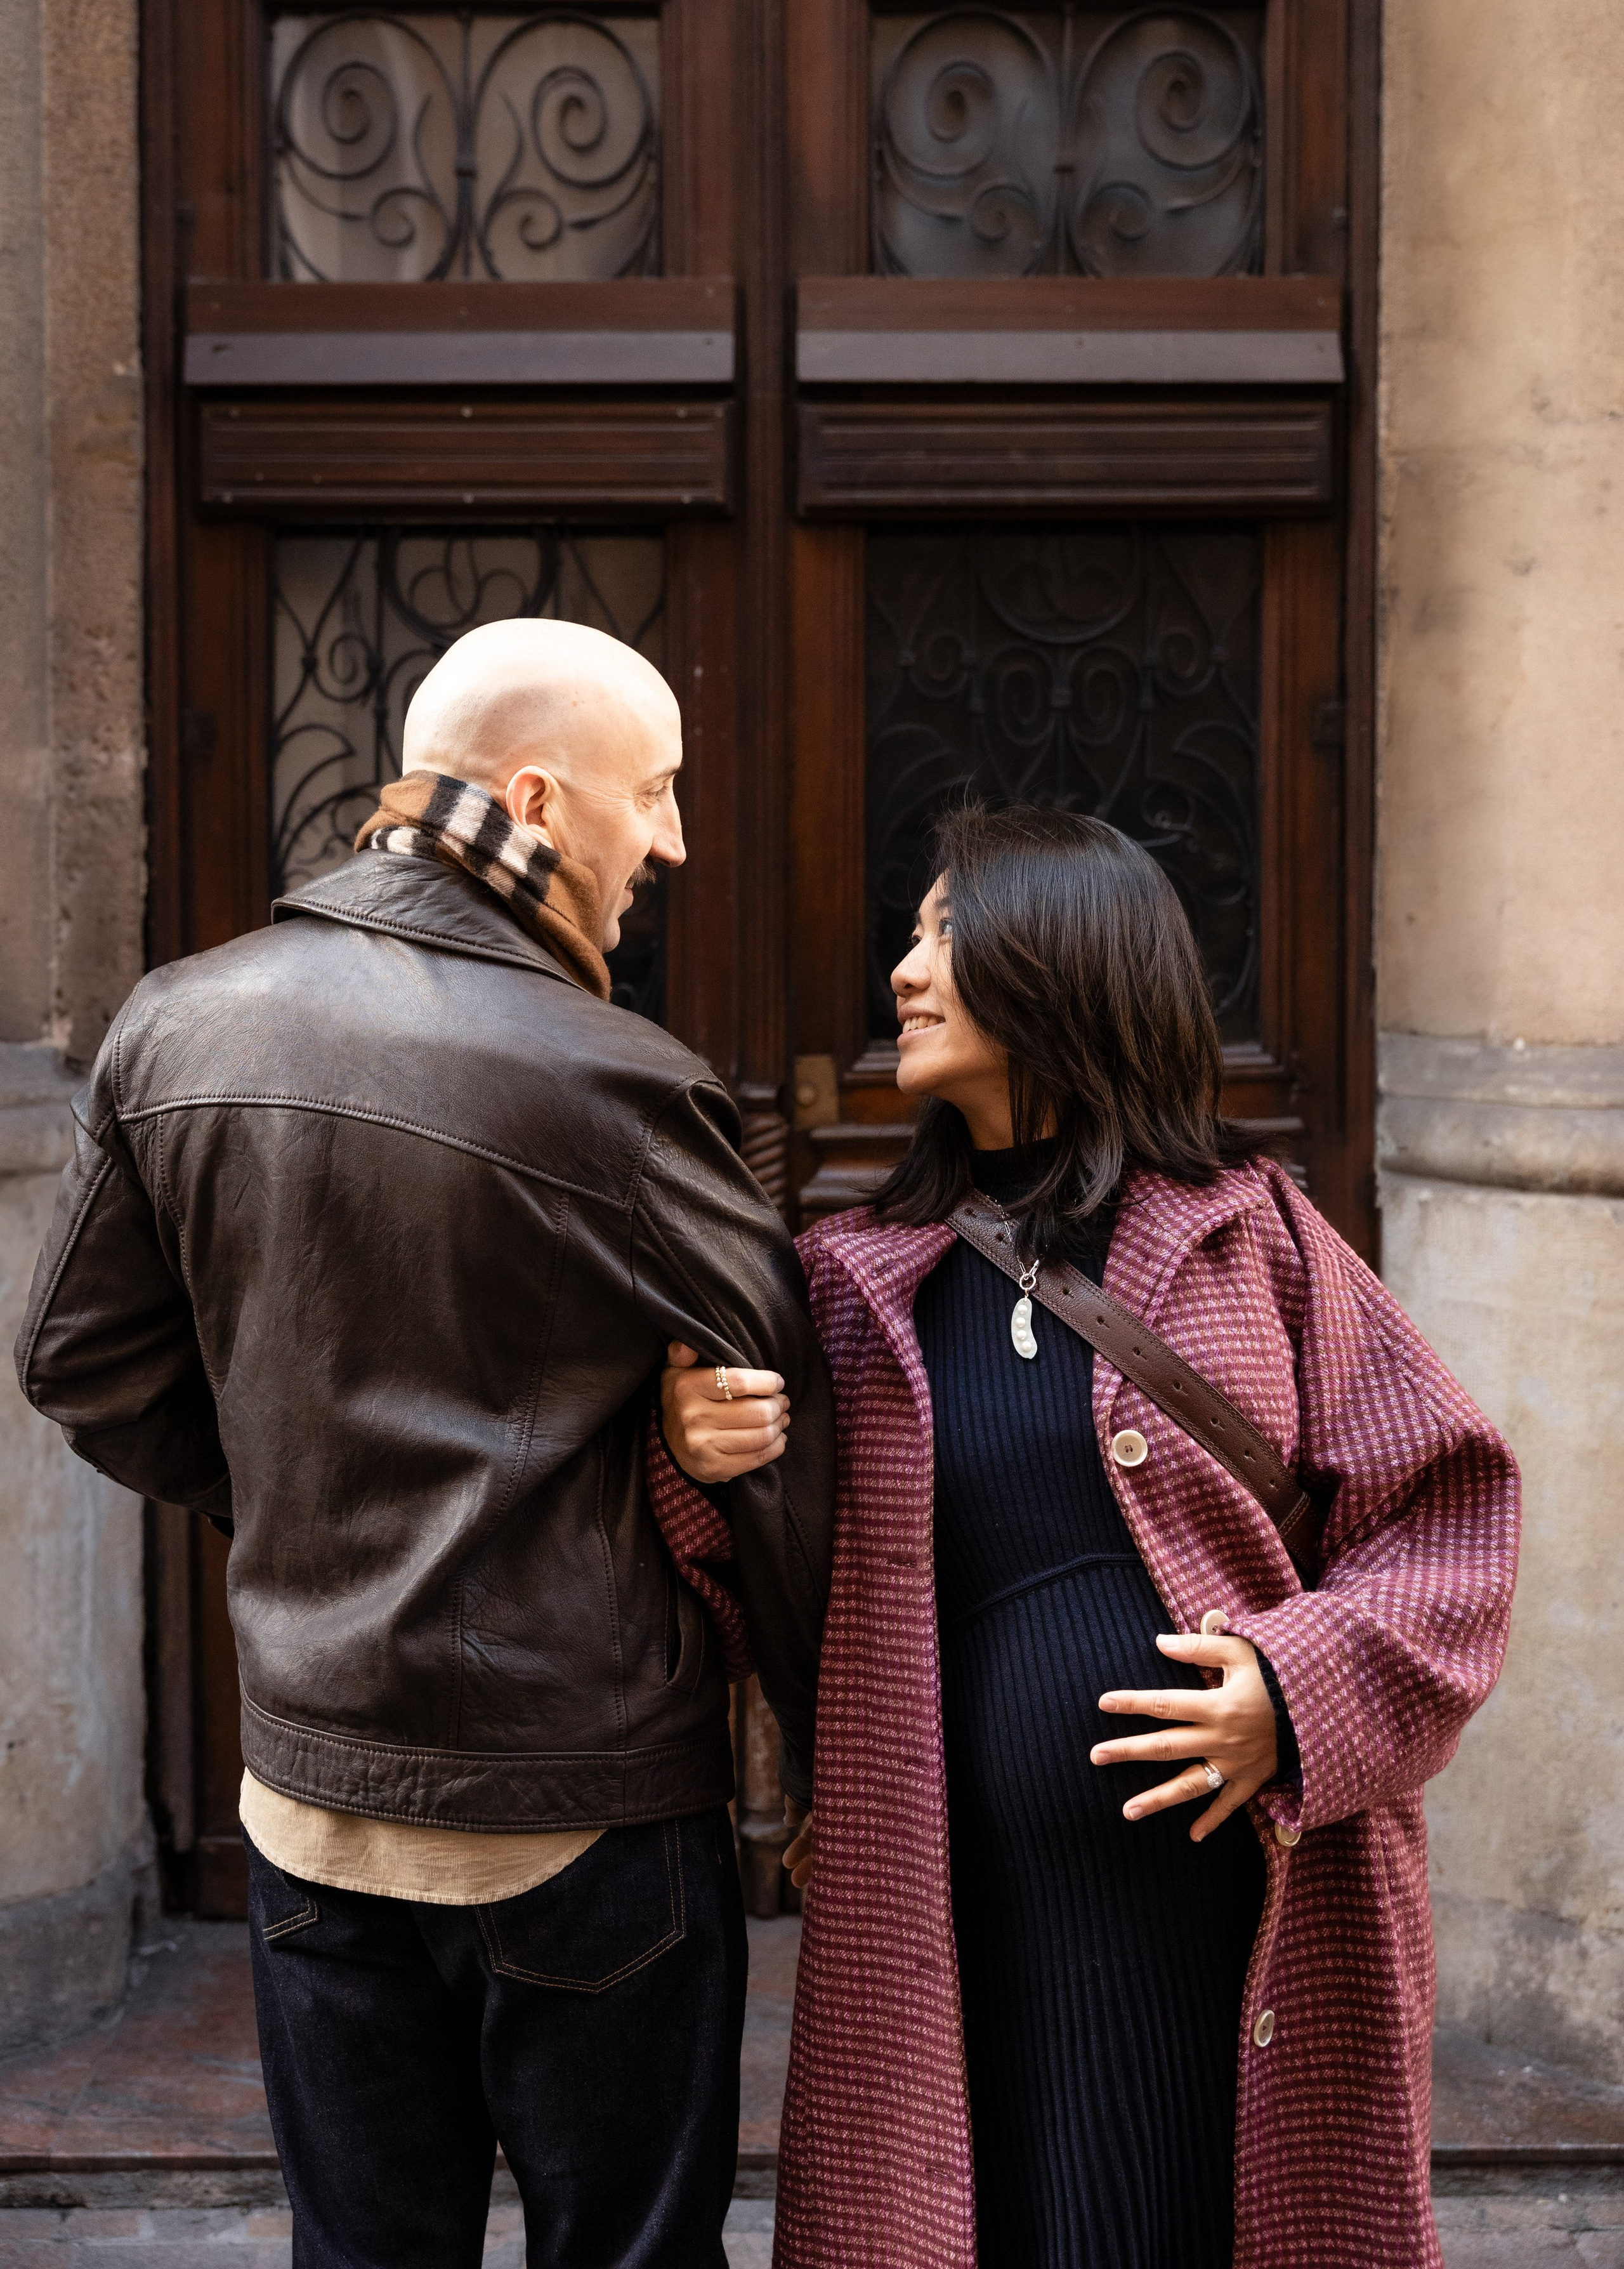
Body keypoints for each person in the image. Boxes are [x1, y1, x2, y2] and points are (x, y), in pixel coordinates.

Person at [15, 618, 835, 2269]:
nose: (671, 840)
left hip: (312, 1797)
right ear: (537, 798)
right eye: (654, 793)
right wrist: (822, 1754)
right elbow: (784, 1430)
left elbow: (77, 1362)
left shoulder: (177, 1023)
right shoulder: (623, 1085)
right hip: (590, 1807)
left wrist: (304, 1497)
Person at [653, 803, 1520, 2269]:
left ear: (1058, 958)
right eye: (912, 938)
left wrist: (1287, 1699)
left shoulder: (1257, 1242)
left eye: (943, 934)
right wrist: (693, 1460)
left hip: (1231, 1903)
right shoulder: (849, 1285)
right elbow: (731, 1598)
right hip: (950, 1913)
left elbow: (1446, 1518)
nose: (904, 973)